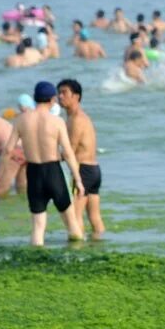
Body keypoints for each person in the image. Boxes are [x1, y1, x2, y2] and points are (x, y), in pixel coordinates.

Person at [0, 82, 84, 245]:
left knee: (38, 227)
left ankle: (36, 262)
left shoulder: (20, 120)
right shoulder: (57, 121)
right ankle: (77, 258)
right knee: (71, 223)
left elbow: (8, 150)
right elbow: (67, 153)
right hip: (53, 172)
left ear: (35, 98)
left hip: (34, 173)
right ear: (53, 99)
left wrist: (1, 174)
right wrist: (78, 179)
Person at [58, 79, 104, 238]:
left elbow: (70, 150)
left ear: (76, 96)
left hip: (84, 170)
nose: (60, 96)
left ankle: (79, 250)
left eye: (64, 92)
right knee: (94, 217)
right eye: (59, 92)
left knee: (75, 217)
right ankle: (98, 245)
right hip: (94, 170)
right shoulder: (76, 117)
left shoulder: (76, 119)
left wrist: (46, 159)